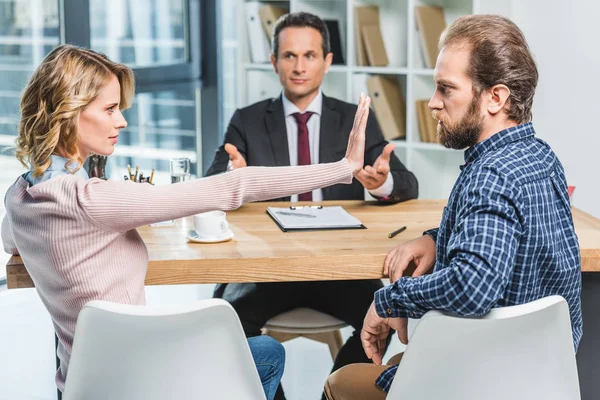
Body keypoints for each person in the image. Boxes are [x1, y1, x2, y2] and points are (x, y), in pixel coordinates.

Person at [0, 44, 372, 400]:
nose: (122, 120)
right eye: (110, 109)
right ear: (70, 111)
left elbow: (13, 244)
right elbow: (234, 186)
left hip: (81, 382)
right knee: (267, 351)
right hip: (143, 381)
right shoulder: (92, 200)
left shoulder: (18, 195)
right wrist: (342, 169)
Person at [324, 14, 582, 400]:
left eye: (446, 89)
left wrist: (387, 299)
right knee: (397, 365)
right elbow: (503, 235)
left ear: (496, 97)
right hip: (538, 376)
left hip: (477, 378)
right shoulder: (541, 158)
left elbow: (473, 286)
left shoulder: (489, 175)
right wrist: (436, 239)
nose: (432, 103)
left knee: (339, 382)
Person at [206, 12, 418, 399]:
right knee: (223, 318)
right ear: (274, 62)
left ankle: (331, 395)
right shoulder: (248, 120)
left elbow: (406, 183)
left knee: (385, 313)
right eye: (289, 56)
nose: (299, 66)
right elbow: (215, 175)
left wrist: (381, 181)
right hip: (266, 270)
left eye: (309, 55)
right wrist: (230, 175)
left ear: (327, 60)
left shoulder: (354, 119)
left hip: (337, 268)